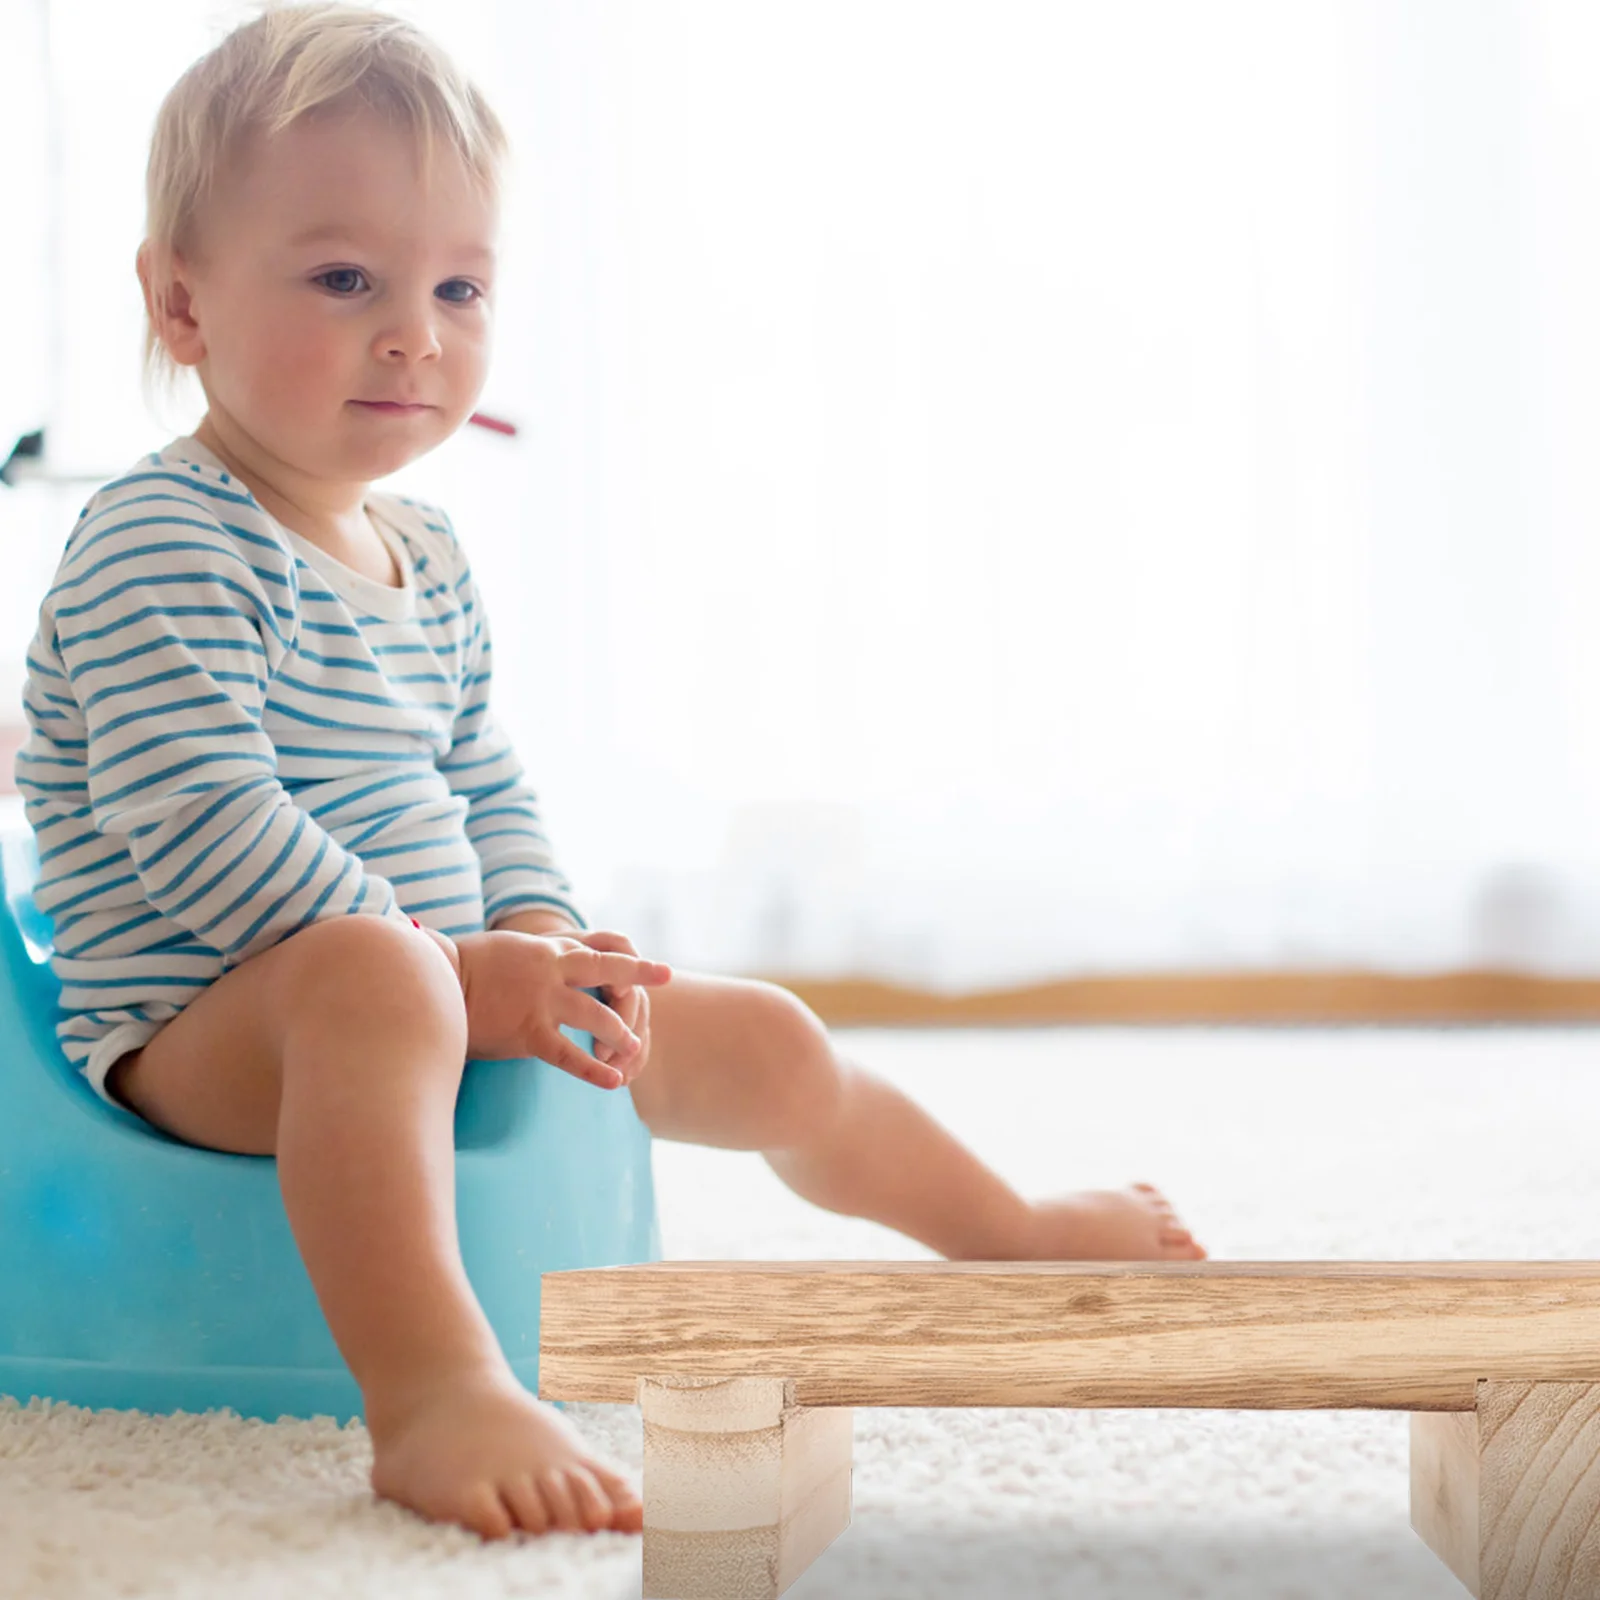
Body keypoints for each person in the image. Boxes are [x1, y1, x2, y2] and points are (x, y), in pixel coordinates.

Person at [15, 0, 1205, 1545]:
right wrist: (456, 971)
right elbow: (201, 829)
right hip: (206, 1029)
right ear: (182, 305)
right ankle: (435, 1390)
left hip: (449, 984)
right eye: (345, 278)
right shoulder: (158, 538)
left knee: (762, 1038)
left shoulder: (425, 556)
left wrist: (548, 944)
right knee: (376, 980)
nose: (415, 332)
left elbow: (485, 782)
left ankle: (1009, 1229)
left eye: (459, 285)